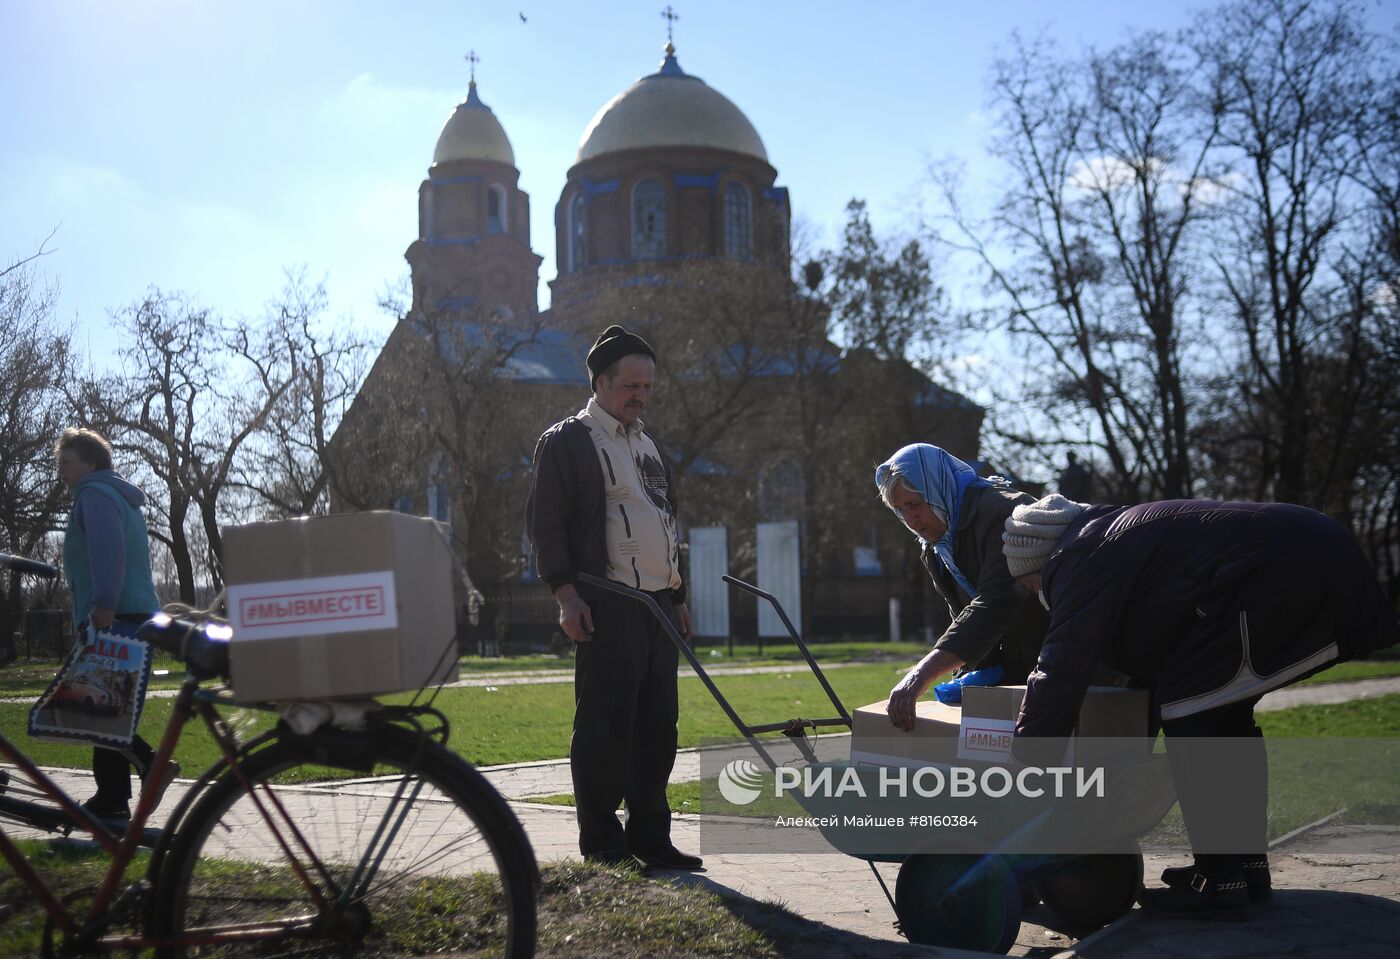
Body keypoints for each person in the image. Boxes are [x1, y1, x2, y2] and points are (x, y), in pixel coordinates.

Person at [1001, 495, 1400, 919]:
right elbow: (1151, 636)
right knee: (1225, 716)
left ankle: (1219, 880)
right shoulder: (1110, 535)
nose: (1034, 594)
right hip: (1317, 551)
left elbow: (1062, 663)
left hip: (1279, 571)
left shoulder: (1077, 556)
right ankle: (1246, 868)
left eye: (1028, 582)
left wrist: (1027, 761)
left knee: (1187, 710)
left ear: (1039, 559)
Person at [525, 325, 700, 870]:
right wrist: (565, 593)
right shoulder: (569, 440)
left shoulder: (648, 446)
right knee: (604, 727)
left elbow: (666, 523)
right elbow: (546, 523)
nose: (640, 395)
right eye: (631, 385)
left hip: (656, 608)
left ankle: (650, 836)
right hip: (607, 601)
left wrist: (678, 596)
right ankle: (602, 841)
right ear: (600, 381)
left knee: (657, 729)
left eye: (647, 386)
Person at [877, 444, 1050, 731]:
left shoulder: (1005, 513)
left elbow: (995, 603)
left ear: (936, 488)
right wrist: (970, 673)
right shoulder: (937, 546)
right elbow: (964, 617)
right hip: (1023, 673)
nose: (910, 519)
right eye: (900, 509)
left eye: (915, 504)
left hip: (1071, 665)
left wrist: (921, 675)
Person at [56, 427, 179, 820]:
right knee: (102, 707)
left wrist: (103, 604)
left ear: (90, 463)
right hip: (134, 611)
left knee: (94, 705)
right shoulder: (118, 496)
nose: (61, 470)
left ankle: (146, 767)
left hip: (115, 612)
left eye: (67, 461)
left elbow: (108, 550)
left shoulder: (94, 494)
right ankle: (113, 797)